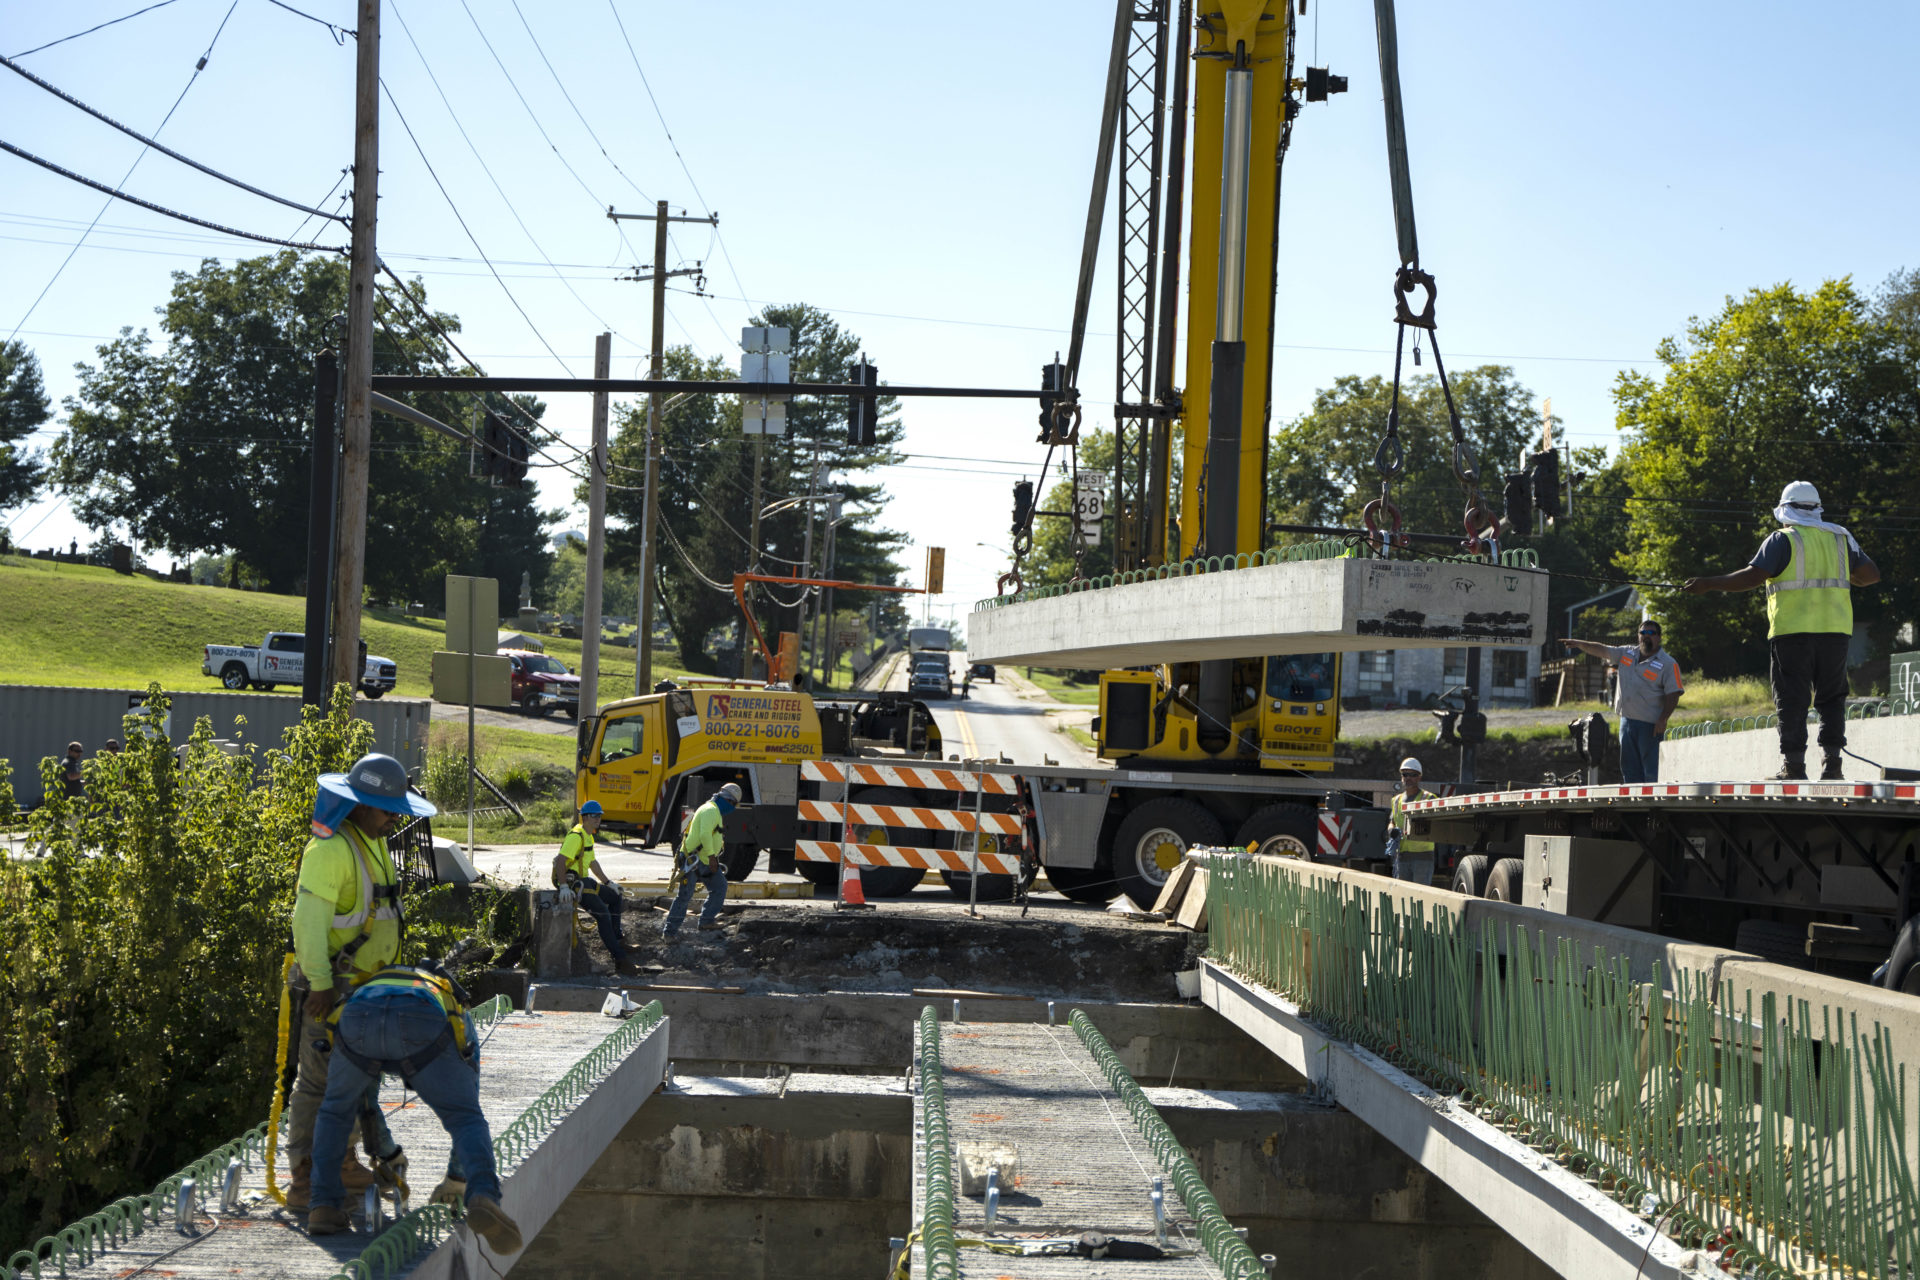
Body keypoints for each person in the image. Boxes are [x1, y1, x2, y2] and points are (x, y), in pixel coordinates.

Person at [285, 752, 436, 1212]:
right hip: (332, 990)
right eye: (387, 809)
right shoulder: (331, 851)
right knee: (319, 1083)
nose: (394, 818)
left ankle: (344, 1161)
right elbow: (307, 923)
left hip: (364, 992)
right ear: (361, 805)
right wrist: (319, 984)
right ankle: (307, 1178)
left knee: (349, 1082)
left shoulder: (369, 842)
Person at [305, 962, 523, 1255]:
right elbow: (469, 1098)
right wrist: (457, 1179)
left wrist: (387, 1153)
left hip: (358, 1016)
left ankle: (322, 1206)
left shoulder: (368, 985)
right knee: (464, 1118)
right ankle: (483, 1195)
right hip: (424, 1018)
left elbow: (365, 1099)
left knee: (334, 1111)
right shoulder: (449, 1000)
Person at [1683, 481, 1880, 780]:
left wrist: (1709, 583)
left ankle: (1794, 767)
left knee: (1792, 699)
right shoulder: (1841, 537)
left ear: (1785, 510)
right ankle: (1832, 765)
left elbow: (1752, 577)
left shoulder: (1782, 539)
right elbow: (1870, 575)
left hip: (1792, 632)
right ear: (1817, 509)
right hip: (1836, 633)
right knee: (1831, 698)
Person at [1560, 621, 1684, 783]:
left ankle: (1651, 805)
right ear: (1638, 636)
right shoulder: (1627, 653)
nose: (1647, 637)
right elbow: (1602, 649)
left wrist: (1663, 719)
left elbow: (1674, 694)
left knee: (1651, 769)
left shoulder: (1668, 664)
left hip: (1650, 725)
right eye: (1643, 633)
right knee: (1629, 768)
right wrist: (1580, 644)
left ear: (1659, 637)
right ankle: (1634, 805)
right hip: (1627, 722)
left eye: (1651, 633)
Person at [551, 800, 640, 975]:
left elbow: (592, 862)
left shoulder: (588, 836)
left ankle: (617, 939)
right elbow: (561, 861)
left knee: (615, 898)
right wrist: (563, 887)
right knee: (603, 915)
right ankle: (620, 959)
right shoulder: (576, 836)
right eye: (594, 816)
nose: (597, 819)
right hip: (573, 885)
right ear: (584, 817)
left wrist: (609, 883)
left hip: (584, 881)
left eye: (599, 815)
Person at [665, 782, 739, 937]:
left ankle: (706, 921)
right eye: (733, 804)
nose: (733, 808)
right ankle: (669, 933)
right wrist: (712, 857)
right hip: (694, 860)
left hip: (703, 860)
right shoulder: (710, 810)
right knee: (684, 896)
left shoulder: (714, 810)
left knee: (719, 887)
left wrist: (711, 857)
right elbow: (705, 835)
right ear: (727, 800)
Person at [1383, 758, 1438, 883]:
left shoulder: (1428, 798)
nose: (1408, 778)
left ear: (1419, 777)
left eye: (1413, 775)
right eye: (1405, 774)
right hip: (1403, 856)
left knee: (1419, 895)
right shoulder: (1396, 800)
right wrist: (1391, 830)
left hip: (1423, 856)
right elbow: (1392, 821)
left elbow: (1436, 824)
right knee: (1404, 897)